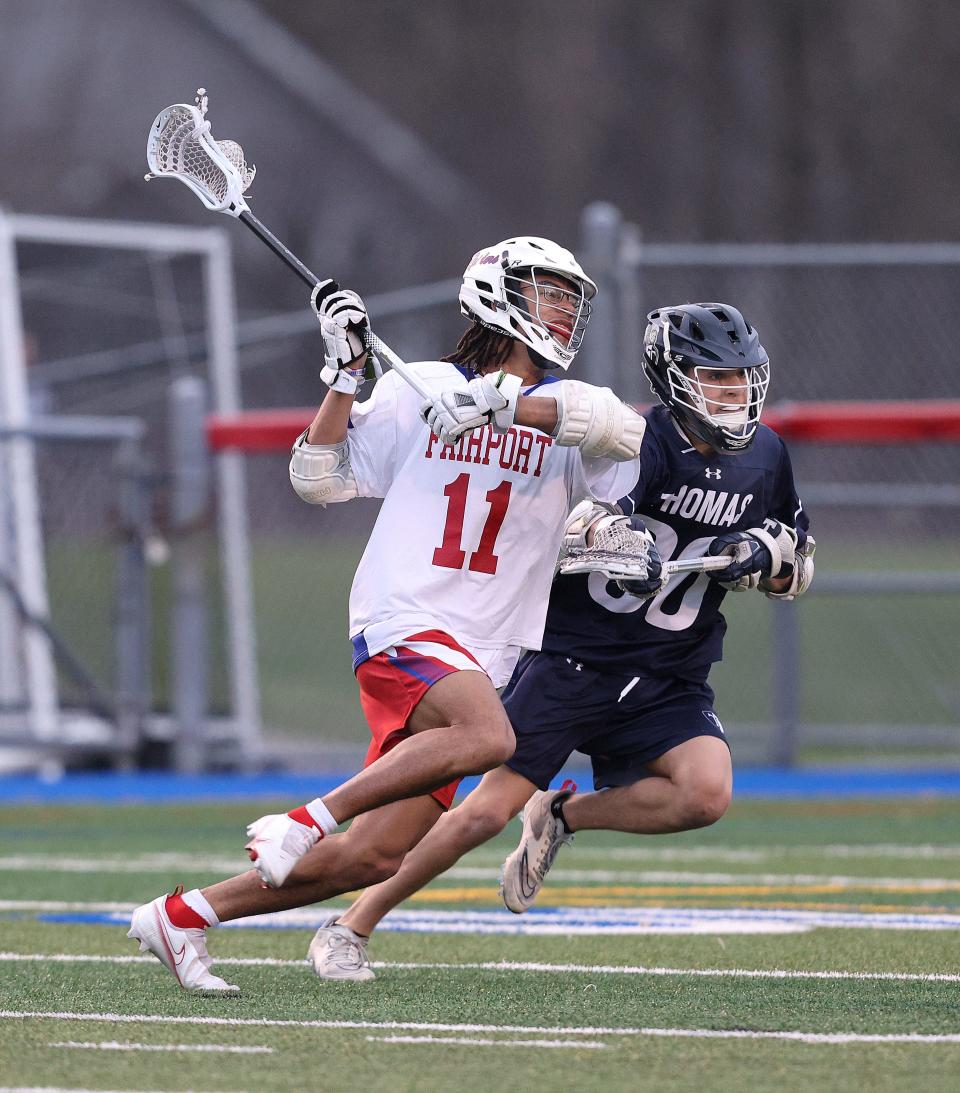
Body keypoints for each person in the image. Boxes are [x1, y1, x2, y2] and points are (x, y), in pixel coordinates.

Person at [127, 236, 646, 992]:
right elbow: (318, 477)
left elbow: (623, 435)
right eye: (547, 292)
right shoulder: (421, 385)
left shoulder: (569, 409)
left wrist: (506, 406)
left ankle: (182, 916)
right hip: (406, 618)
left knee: (374, 855)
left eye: (570, 298)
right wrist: (344, 373)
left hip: (487, 650)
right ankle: (305, 817)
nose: (564, 311)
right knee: (489, 736)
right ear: (499, 297)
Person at [300, 301, 816, 981]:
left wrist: (763, 554)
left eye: (741, 381)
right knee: (481, 813)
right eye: (715, 379)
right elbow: (582, 529)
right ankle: (351, 924)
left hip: (669, 668)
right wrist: (621, 548)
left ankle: (565, 814)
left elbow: (799, 565)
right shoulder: (640, 442)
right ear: (674, 377)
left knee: (706, 792)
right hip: (576, 655)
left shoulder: (767, 456)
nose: (733, 396)